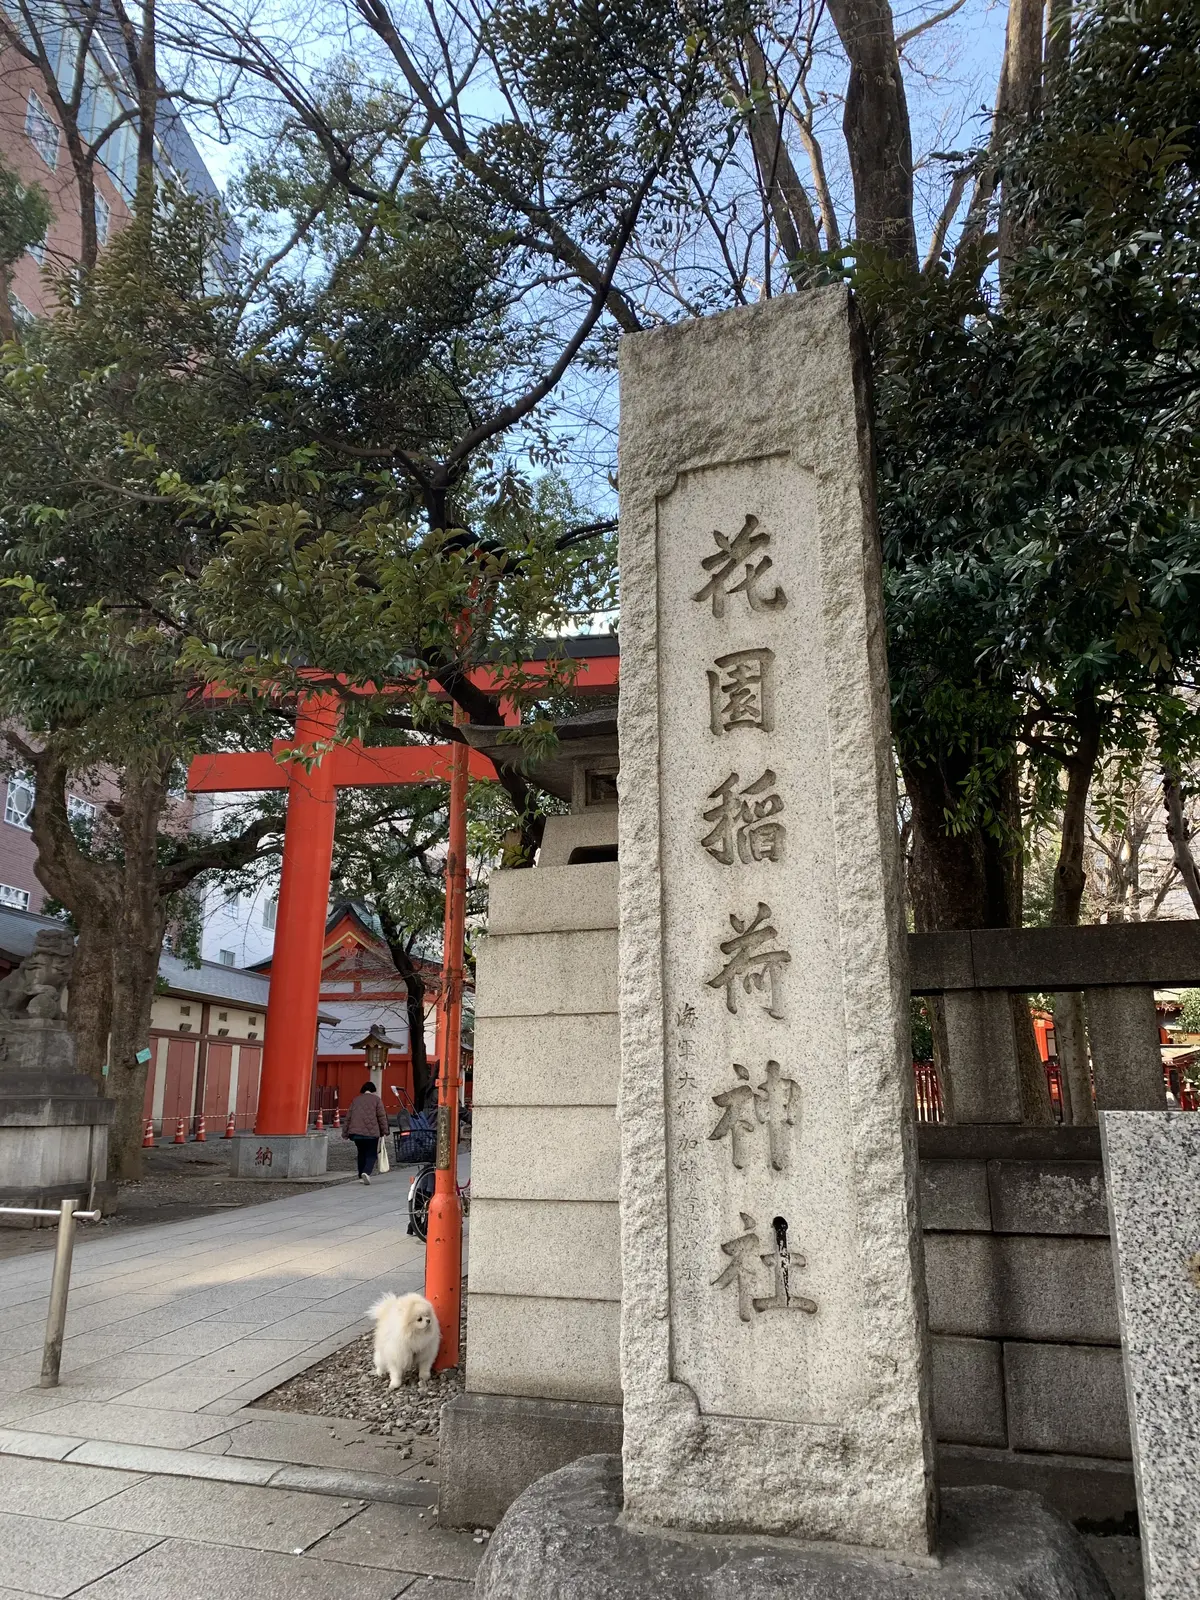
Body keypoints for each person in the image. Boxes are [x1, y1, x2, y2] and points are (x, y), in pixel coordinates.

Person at [343, 1081, 390, 1184]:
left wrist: (345, 1133)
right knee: (371, 1154)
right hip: (372, 1134)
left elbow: (348, 1117)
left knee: (361, 1153)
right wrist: (385, 1131)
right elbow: (381, 1117)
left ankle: (360, 1175)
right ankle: (366, 1172)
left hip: (356, 1134)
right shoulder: (377, 1100)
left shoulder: (356, 1100)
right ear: (373, 1090)